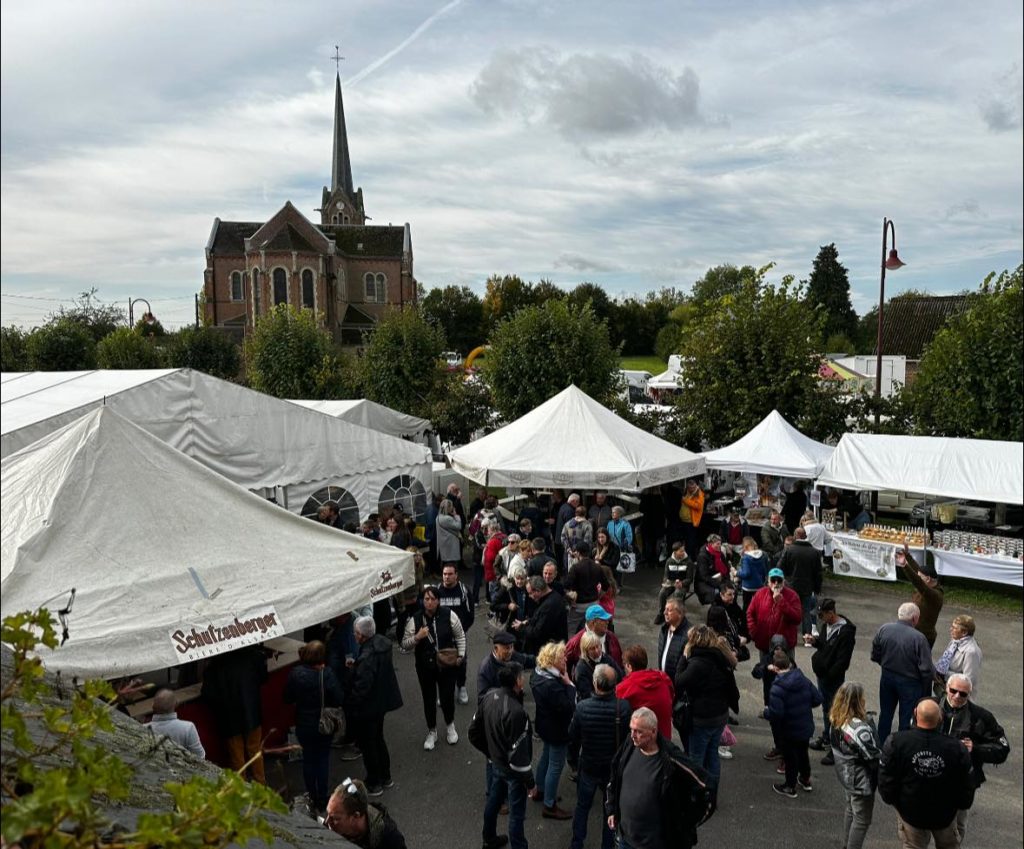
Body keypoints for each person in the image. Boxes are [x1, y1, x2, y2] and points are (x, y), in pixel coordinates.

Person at [606, 706, 712, 849]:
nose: (633, 735)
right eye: (631, 729)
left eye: (639, 732)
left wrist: (685, 825)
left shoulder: (671, 760)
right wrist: (611, 808)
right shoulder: (630, 745)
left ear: (654, 732)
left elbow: (706, 788)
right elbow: (615, 774)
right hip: (625, 840)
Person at [878, 699, 975, 849]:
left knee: (912, 846)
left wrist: (894, 801)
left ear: (915, 714)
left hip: (910, 813)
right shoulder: (956, 748)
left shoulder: (896, 742)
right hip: (944, 814)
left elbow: (886, 778)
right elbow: (967, 783)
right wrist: (960, 805)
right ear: (941, 718)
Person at [933, 673, 1010, 843]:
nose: (957, 696)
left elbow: (1002, 748)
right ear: (946, 689)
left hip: (961, 782)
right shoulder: (929, 707)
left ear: (970, 694)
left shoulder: (981, 717)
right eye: (953, 691)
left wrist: (975, 749)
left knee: (955, 831)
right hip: (930, 777)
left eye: (963, 694)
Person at [567, 663, 631, 849]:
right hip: (612, 769)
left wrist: (572, 761)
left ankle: (577, 843)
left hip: (588, 765)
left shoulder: (582, 708)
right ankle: (607, 845)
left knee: (582, 806)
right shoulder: (624, 708)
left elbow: (573, 739)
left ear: (595, 683)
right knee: (610, 810)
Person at [674, 625, 739, 802]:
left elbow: (679, 681)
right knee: (712, 756)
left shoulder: (697, 663)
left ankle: (697, 796)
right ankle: (712, 793)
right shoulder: (721, 659)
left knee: (696, 758)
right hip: (719, 716)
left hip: (702, 718)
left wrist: (683, 659)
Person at [401, 585, 466, 750]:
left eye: (432, 599)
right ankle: (432, 731)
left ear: (438, 601)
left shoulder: (449, 615)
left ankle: (450, 725)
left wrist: (461, 656)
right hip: (425, 668)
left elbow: (460, 635)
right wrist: (417, 637)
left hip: (446, 666)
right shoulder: (415, 619)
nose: (429, 602)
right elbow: (404, 644)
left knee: (446, 698)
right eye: (426, 599)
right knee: (428, 699)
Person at [283, 640, 344, 813]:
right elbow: (339, 697)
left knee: (308, 758)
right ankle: (323, 797)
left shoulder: (295, 674)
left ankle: (311, 793)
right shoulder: (327, 674)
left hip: (304, 723)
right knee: (323, 758)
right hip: (324, 724)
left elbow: (287, 698)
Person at [479, 662, 535, 849]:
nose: (524, 679)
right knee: (516, 814)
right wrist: (530, 783)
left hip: (496, 763)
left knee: (493, 801)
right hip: (512, 771)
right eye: (522, 676)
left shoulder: (488, 697)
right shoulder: (516, 712)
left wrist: (490, 753)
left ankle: (489, 838)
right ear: (517, 681)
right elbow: (520, 755)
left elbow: (474, 731)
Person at [347, 616, 403, 796]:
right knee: (378, 739)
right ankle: (386, 776)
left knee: (368, 744)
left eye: (356, 633)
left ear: (362, 636)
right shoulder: (382, 645)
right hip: (381, 702)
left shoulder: (367, 656)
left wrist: (351, 704)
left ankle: (374, 781)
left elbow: (363, 686)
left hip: (369, 706)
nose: (354, 636)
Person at [201, 644, 268, 783]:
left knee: (236, 755)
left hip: (229, 716)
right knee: (255, 750)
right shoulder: (254, 656)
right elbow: (263, 678)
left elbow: (208, 694)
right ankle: (260, 784)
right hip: (252, 712)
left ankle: (241, 788)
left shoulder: (215, 665)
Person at [871, 602, 934, 744]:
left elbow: (875, 654)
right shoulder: (919, 638)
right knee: (906, 719)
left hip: (887, 677)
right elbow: (926, 669)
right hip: (910, 683)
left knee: (885, 715)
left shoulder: (884, 629)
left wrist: (886, 664)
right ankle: (902, 747)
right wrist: (925, 692)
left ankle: (881, 746)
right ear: (914, 618)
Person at [828, 682, 881, 849]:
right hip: (860, 780)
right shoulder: (859, 728)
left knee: (851, 810)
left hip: (846, 775)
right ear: (859, 700)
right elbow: (873, 757)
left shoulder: (836, 718)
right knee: (862, 819)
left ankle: (846, 844)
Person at [745, 568, 802, 717]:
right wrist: (754, 632)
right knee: (767, 676)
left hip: (784, 647)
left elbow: (797, 618)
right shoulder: (760, 594)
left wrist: (781, 602)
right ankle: (768, 707)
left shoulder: (792, 596)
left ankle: (787, 708)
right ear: (768, 581)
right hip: (765, 645)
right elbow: (750, 613)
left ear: (784, 581)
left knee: (787, 677)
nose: (776, 584)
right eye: (773, 580)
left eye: (779, 580)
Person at [529, 641, 576, 819]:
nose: (565, 659)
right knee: (556, 766)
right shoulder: (553, 685)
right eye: (561, 657)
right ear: (551, 660)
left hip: (545, 725)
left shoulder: (537, 674)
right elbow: (568, 706)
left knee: (546, 758)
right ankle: (549, 804)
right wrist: (569, 684)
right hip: (557, 729)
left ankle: (540, 790)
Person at [808, 598, 857, 764]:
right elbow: (824, 645)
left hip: (833, 678)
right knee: (825, 708)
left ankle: (835, 747)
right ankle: (827, 738)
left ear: (831, 613)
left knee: (836, 712)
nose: (820, 618)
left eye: (822, 615)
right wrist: (815, 642)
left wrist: (830, 675)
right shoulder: (826, 626)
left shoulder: (846, 632)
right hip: (823, 675)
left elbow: (843, 661)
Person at [767, 649, 822, 797]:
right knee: (803, 753)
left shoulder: (777, 688)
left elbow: (776, 713)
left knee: (790, 758)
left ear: (776, 668)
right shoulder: (803, 679)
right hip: (805, 726)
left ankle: (789, 786)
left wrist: (766, 713)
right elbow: (817, 699)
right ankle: (805, 779)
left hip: (789, 730)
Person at [325, 777, 407, 849]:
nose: (327, 821)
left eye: (335, 818)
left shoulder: (391, 840)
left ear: (356, 816)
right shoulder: (335, 827)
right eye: (327, 814)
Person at [616, 645, 674, 740]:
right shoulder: (663, 679)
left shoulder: (624, 688)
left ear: (629, 666)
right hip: (664, 738)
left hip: (643, 742)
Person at [438, 563, 476, 704]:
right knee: (442, 664)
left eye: (450, 574)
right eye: (444, 574)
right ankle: (445, 691)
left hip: (459, 636)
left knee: (460, 662)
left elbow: (470, 615)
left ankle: (461, 687)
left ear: (456, 575)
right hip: (441, 637)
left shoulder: (464, 591)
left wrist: (460, 631)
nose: (447, 577)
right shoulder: (436, 590)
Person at [896, 543, 944, 649]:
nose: (919, 578)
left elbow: (918, 582)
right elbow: (918, 571)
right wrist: (907, 555)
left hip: (923, 638)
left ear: (928, 579)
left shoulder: (934, 595)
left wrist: (905, 566)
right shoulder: (929, 584)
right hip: (914, 633)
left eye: (921, 578)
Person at [778, 527, 822, 638]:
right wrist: (817, 588)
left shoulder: (789, 550)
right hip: (807, 587)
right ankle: (807, 634)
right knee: (806, 610)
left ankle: (787, 633)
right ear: (805, 536)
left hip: (791, 585)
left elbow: (780, 567)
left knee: (788, 609)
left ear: (795, 536)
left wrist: (786, 578)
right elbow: (818, 573)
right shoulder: (814, 552)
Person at [477, 630, 536, 703]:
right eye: (507, 648)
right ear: (496, 648)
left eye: (512, 647)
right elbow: (483, 698)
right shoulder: (486, 668)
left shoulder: (514, 656)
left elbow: (528, 660)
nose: (510, 651)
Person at [513, 576, 568, 655]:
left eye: (530, 593)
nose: (529, 596)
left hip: (548, 652)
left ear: (538, 591)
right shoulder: (552, 597)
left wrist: (522, 627)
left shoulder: (549, 606)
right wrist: (527, 622)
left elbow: (537, 633)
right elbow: (539, 618)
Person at [564, 603, 623, 675]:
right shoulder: (575, 642)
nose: (607, 622)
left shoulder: (612, 638)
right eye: (603, 620)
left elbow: (620, 664)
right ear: (593, 623)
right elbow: (564, 665)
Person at [933, 614, 983, 697]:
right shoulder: (955, 641)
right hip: (945, 689)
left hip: (958, 696)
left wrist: (944, 673)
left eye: (954, 628)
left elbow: (968, 680)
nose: (950, 629)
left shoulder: (972, 652)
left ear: (964, 632)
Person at [149, 688, 205, 758]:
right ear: (176, 704)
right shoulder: (188, 728)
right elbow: (200, 756)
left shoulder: (142, 728)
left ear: (152, 705)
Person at [573, 631, 623, 701]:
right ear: (586, 650)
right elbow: (586, 694)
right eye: (592, 648)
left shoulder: (606, 658)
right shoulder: (581, 668)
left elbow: (620, 676)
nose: (597, 651)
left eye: (598, 646)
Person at [706, 583, 749, 661]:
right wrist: (738, 641)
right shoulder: (716, 611)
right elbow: (719, 632)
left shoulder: (732, 605)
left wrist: (744, 636)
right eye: (729, 594)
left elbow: (742, 619)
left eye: (733, 594)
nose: (732, 597)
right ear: (721, 595)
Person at [655, 540, 693, 624]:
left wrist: (682, 583)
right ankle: (661, 614)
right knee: (662, 593)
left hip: (682, 584)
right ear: (675, 552)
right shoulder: (669, 561)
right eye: (681, 551)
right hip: (671, 583)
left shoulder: (688, 562)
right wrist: (666, 582)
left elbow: (690, 579)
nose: (683, 552)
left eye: (683, 550)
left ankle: (677, 616)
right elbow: (665, 575)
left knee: (677, 594)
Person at [395, 547, 425, 649]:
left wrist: (423, 595)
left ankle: (414, 640)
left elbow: (420, 582)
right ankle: (401, 643)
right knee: (402, 621)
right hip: (402, 599)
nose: (418, 557)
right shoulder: (404, 570)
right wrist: (402, 606)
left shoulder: (420, 566)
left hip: (413, 598)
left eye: (419, 555)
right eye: (415, 556)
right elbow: (399, 590)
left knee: (416, 619)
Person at [491, 565, 533, 638]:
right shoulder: (507, 589)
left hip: (524, 625)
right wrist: (507, 606)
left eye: (522, 579)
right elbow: (493, 605)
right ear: (514, 578)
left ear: (526, 579)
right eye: (517, 578)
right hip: (510, 626)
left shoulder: (529, 589)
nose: (519, 581)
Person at [656, 596, 690, 675]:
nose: (665, 613)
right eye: (665, 609)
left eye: (669, 610)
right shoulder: (664, 629)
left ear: (680, 613)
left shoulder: (688, 634)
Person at [694, 535, 730, 605]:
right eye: (717, 544)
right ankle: (716, 612)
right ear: (710, 544)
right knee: (716, 594)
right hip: (704, 583)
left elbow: (726, 569)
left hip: (719, 579)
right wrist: (719, 585)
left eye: (720, 543)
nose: (720, 546)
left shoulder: (720, 553)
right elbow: (704, 576)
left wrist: (727, 581)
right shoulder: (703, 556)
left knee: (731, 590)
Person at [737, 536, 769, 610]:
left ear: (745, 546)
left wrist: (736, 573)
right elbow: (765, 570)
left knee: (746, 606)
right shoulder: (763, 555)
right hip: (759, 586)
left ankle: (745, 621)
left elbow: (746, 573)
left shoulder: (746, 558)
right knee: (759, 606)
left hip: (748, 587)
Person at [436, 498, 463, 575]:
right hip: (450, 546)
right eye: (451, 506)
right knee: (452, 566)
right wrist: (456, 515)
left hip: (443, 545)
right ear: (448, 508)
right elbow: (458, 526)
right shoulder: (447, 519)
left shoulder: (438, 517)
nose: (453, 508)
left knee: (446, 565)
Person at [679, 479, 705, 560]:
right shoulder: (687, 492)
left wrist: (685, 501)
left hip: (691, 521)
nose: (691, 490)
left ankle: (691, 558)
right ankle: (688, 556)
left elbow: (698, 506)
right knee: (686, 540)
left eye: (692, 488)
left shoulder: (699, 493)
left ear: (695, 486)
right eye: (689, 488)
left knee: (691, 541)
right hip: (684, 521)